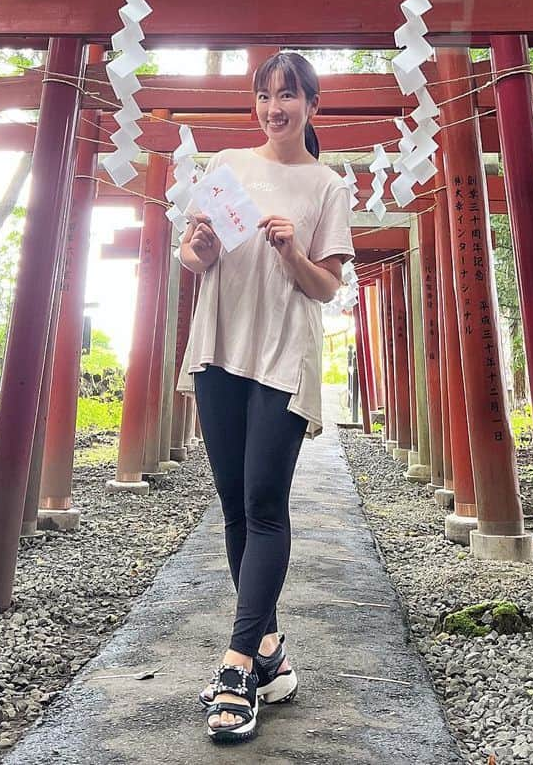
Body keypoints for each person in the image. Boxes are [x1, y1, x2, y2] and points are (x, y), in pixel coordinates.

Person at [178, 51, 354, 744]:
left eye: (287, 95)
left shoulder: (327, 185)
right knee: (231, 507)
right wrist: (199, 246)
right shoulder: (224, 166)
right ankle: (270, 655)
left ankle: (234, 668)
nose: (273, 107)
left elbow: (328, 287)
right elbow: (194, 260)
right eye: (263, 95)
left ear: (311, 105)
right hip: (221, 346)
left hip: (283, 356)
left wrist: (289, 251)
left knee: (262, 504)